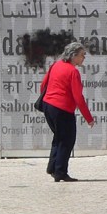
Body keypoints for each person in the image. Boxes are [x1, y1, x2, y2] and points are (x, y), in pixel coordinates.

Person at [40, 42, 96, 182]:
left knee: (59, 137)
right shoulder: (73, 71)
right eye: (82, 55)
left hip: (49, 106)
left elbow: (43, 85)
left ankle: (53, 167)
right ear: (73, 55)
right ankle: (60, 172)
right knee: (67, 140)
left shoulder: (56, 65)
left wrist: (49, 99)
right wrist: (88, 118)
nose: (84, 58)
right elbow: (78, 97)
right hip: (62, 109)